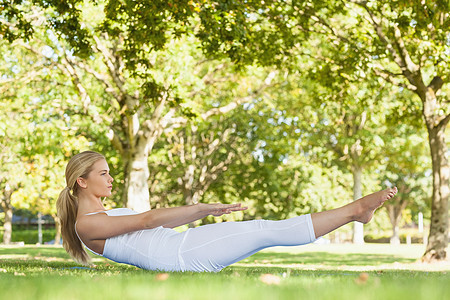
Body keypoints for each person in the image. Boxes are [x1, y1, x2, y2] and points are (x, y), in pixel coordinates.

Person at [56, 150, 397, 272]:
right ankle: (356, 210)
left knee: (264, 228)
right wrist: (203, 208)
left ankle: (355, 211)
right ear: (82, 182)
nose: (111, 178)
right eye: (103, 173)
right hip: (181, 257)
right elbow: (147, 219)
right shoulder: (86, 226)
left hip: (184, 245)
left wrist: (205, 211)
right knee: (264, 230)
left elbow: (153, 223)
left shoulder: (99, 216)